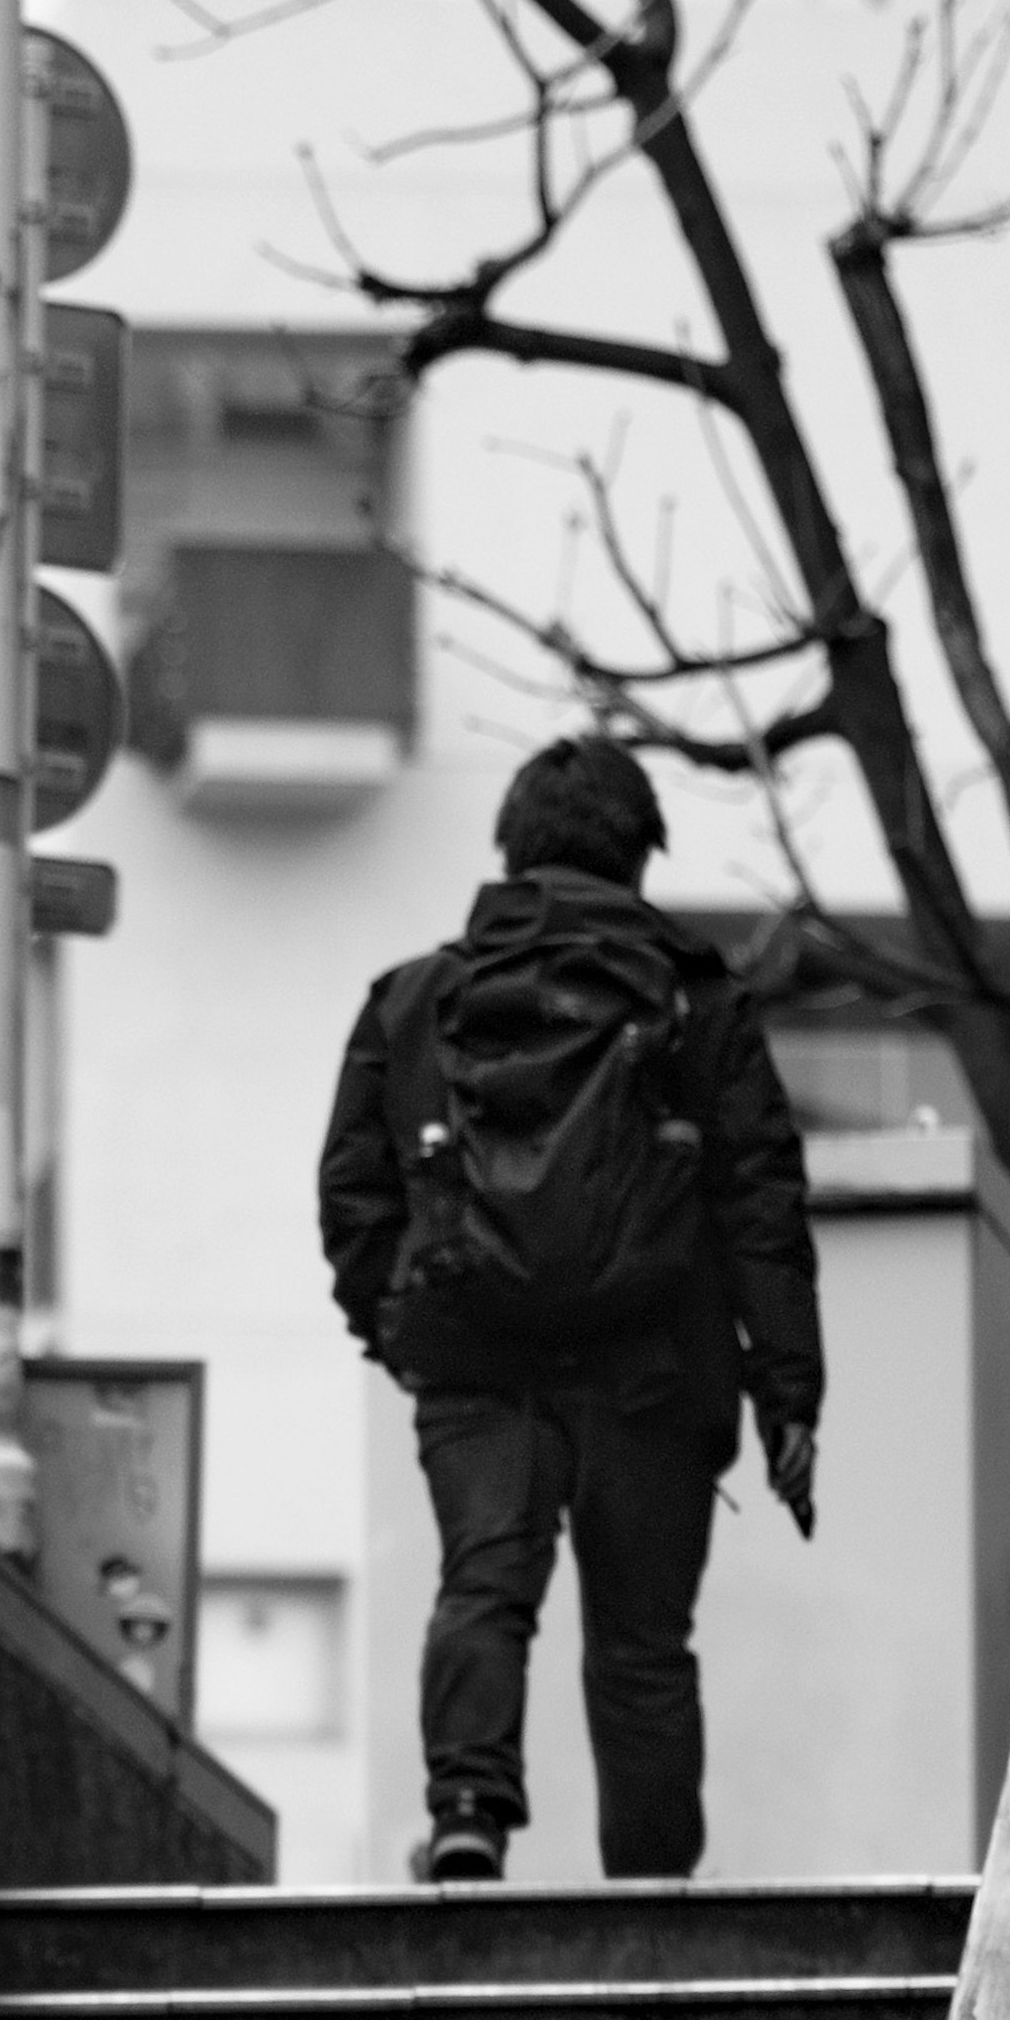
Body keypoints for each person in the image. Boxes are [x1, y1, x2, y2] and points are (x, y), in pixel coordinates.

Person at [319, 729, 822, 1884]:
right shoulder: (699, 1002)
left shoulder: (416, 1001)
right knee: (642, 1649)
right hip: (656, 1364)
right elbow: (760, 1200)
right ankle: (650, 1893)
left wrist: (398, 1326)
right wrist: (788, 1388)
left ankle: (467, 1814)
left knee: (485, 1583)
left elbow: (352, 1191)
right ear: (641, 854)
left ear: (512, 849)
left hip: (477, 1363)